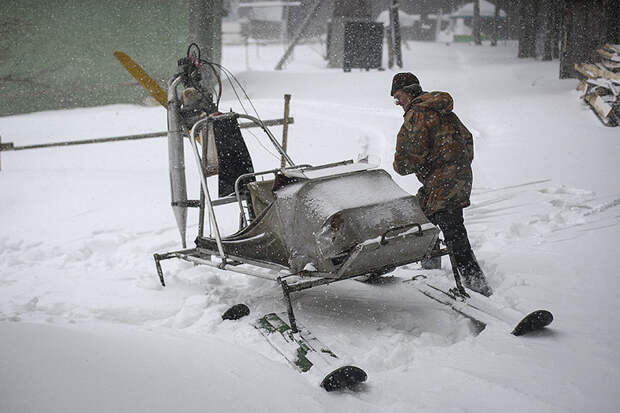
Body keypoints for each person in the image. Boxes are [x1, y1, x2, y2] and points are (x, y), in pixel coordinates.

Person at [391, 72, 492, 297]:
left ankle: (477, 286)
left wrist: (405, 166)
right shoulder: (443, 110)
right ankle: (432, 271)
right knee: (423, 217)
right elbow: (467, 139)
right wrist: (457, 165)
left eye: (398, 96)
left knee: (453, 230)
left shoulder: (418, 114)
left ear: (408, 92)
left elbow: (409, 156)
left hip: (442, 181)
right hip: (458, 175)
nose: (397, 102)